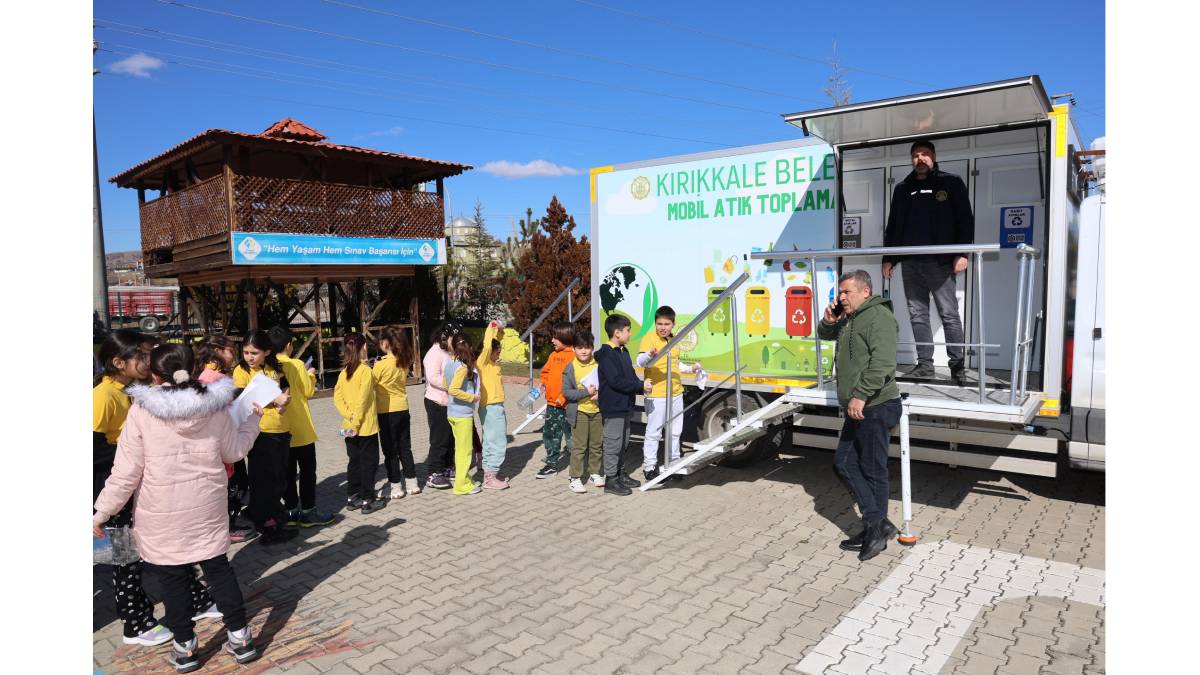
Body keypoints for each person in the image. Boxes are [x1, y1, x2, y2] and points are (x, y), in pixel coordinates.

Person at [93, 343, 265, 671]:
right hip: (207, 506)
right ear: (192, 366)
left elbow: (126, 472)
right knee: (218, 570)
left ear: (156, 376)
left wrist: (102, 512)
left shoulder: (142, 412)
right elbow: (234, 452)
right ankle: (241, 639)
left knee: (172, 579)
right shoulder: (214, 407)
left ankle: (186, 648)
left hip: (160, 512)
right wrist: (253, 421)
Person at [94, 330, 179, 647]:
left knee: (157, 550)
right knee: (126, 562)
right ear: (118, 362)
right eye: (141, 355)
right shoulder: (103, 397)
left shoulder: (134, 391)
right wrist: (136, 452)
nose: (148, 360)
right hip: (113, 492)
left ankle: (193, 598)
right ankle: (136, 623)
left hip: (135, 488)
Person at [816, 270, 903, 562]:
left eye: (847, 292)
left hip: (876, 405)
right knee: (844, 462)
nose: (841, 297)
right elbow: (824, 335)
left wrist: (861, 394)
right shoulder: (852, 317)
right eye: (840, 293)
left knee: (872, 469)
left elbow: (883, 363)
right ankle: (878, 524)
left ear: (866, 291)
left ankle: (875, 529)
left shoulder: (878, 317)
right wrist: (829, 321)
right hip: (860, 406)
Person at [882, 138, 975, 385]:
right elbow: (893, 227)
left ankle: (957, 367)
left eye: (924, 154)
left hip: (940, 262)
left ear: (933, 156)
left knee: (949, 314)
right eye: (915, 155)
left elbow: (965, 220)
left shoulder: (951, 182)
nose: (920, 159)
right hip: (910, 263)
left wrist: (963, 253)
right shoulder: (902, 188)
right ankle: (925, 366)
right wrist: (888, 258)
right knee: (917, 315)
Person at [267, 326, 335, 528]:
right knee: (307, 471)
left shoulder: (268, 366)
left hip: (280, 429)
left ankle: (290, 510)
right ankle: (308, 511)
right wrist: (311, 374)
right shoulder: (296, 364)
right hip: (301, 429)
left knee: (287, 472)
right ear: (289, 346)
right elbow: (307, 391)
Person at [231, 331, 295, 544]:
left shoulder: (275, 368)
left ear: (267, 351)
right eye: (246, 352)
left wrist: (285, 399)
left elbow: (285, 388)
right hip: (259, 432)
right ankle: (267, 525)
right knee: (262, 482)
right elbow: (245, 398)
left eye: (255, 353)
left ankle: (274, 517)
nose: (249, 357)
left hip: (281, 429)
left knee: (279, 478)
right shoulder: (241, 371)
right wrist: (274, 400)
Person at [194, 336, 256, 543]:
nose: (234, 354)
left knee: (235, 485)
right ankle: (227, 528)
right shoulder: (213, 378)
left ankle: (230, 523)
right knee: (231, 488)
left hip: (224, 439)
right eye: (230, 350)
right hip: (224, 442)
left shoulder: (207, 374)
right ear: (217, 351)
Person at [636, 306, 703, 483]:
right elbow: (640, 361)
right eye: (659, 324)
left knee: (675, 432)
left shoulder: (674, 340)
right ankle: (649, 467)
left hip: (675, 393)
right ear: (655, 324)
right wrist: (649, 355)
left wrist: (690, 369)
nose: (663, 327)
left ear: (673, 324)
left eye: (666, 324)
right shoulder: (649, 338)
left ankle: (674, 465)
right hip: (657, 394)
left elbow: (676, 364)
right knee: (654, 432)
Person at [335, 333, 387, 514]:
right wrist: (356, 423)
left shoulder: (343, 372)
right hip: (364, 427)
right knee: (369, 464)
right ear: (364, 348)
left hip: (348, 426)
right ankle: (368, 499)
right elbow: (363, 401)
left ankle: (352, 496)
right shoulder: (365, 371)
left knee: (354, 462)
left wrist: (349, 417)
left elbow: (337, 399)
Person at [595, 315, 644, 496]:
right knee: (613, 444)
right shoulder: (607, 355)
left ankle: (621, 473)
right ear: (617, 333)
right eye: (628, 330)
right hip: (613, 406)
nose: (630, 334)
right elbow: (616, 381)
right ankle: (611, 480)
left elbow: (630, 377)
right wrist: (639, 386)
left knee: (623, 442)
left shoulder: (623, 351)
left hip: (625, 406)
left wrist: (641, 386)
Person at [374, 325, 421, 499]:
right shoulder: (404, 361)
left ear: (386, 344)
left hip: (386, 411)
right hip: (403, 408)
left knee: (390, 451)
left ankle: (396, 486)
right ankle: (412, 483)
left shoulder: (381, 365)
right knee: (405, 448)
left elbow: (371, 384)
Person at [561, 331, 603, 493]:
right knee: (579, 446)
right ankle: (575, 477)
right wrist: (586, 392)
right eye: (579, 348)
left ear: (592, 348)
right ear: (573, 349)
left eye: (587, 347)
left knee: (596, 445)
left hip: (598, 411)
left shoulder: (598, 364)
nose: (583, 351)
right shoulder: (570, 368)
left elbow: (606, 384)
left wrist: (600, 393)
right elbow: (566, 392)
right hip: (580, 411)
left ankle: (594, 472)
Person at [535, 322, 577, 478]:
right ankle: (552, 463)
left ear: (565, 337)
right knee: (551, 434)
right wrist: (544, 384)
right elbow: (545, 372)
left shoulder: (574, 357)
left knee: (572, 437)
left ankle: (579, 464)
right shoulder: (553, 355)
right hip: (552, 405)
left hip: (567, 406)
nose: (552, 340)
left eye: (555, 338)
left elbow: (574, 383)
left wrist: (563, 398)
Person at [445, 333, 483, 496]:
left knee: (460, 449)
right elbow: (453, 389)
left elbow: (444, 384)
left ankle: (465, 478)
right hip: (462, 415)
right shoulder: (462, 367)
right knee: (465, 451)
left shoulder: (451, 363)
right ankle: (461, 485)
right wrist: (472, 397)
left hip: (452, 413)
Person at [476, 320, 510, 490]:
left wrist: (500, 330)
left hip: (494, 406)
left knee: (491, 439)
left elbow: (496, 342)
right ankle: (490, 477)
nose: (499, 355)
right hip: (490, 407)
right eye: (498, 352)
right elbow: (488, 344)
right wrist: (492, 327)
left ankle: (491, 473)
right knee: (497, 440)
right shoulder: (483, 363)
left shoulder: (491, 364)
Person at [422, 323, 457, 489]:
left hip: (448, 401)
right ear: (444, 337)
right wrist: (451, 384)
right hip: (436, 402)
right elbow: (433, 377)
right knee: (439, 439)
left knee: (450, 437)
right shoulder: (434, 353)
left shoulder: (448, 352)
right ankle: (433, 472)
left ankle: (447, 466)